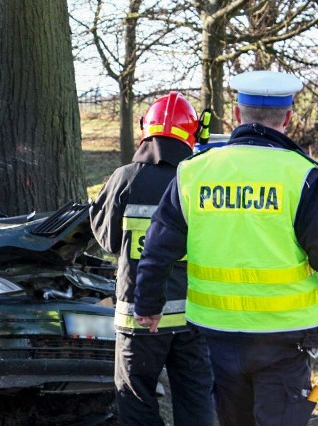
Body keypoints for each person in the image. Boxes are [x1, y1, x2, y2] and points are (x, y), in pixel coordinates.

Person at [133, 71, 318, 426]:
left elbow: (158, 246)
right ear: (288, 118)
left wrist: (148, 304)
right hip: (284, 335)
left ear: (238, 116)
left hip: (216, 332)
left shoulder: (193, 172)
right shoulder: (302, 176)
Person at [90, 92, 214, 426]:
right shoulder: (201, 180)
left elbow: (109, 242)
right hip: (193, 314)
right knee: (197, 399)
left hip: (140, 317)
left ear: (146, 130)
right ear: (191, 135)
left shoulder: (126, 178)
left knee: (136, 399)